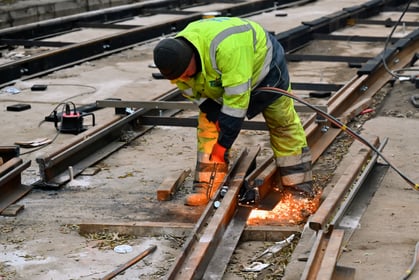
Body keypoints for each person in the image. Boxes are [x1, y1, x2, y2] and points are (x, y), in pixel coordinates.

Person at [153, 17, 316, 209]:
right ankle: (206, 187)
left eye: (186, 73)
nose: (183, 79)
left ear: (192, 58)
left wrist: (222, 146)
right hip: (222, 79)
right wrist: (213, 114)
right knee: (208, 128)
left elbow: (236, 105)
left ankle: (299, 190)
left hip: (264, 71)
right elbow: (192, 92)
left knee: (283, 125)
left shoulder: (228, 49)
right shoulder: (175, 60)